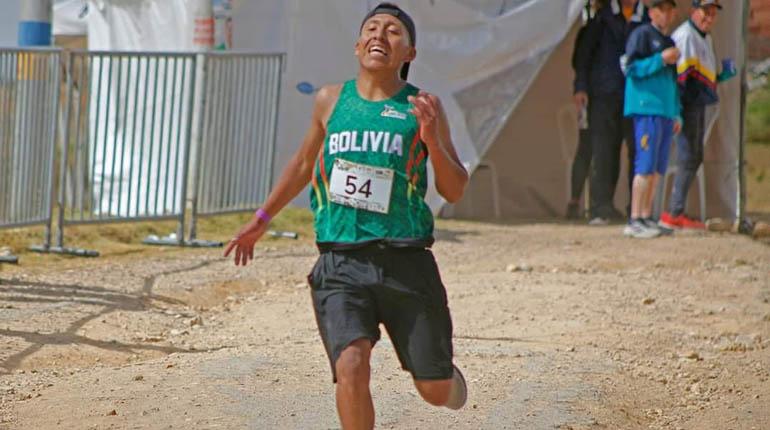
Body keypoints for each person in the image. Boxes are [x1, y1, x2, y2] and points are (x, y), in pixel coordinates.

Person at [224, 3, 469, 429]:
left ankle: (443, 376)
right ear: (358, 45)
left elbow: (454, 188)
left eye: (394, 31)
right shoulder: (330, 100)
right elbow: (303, 164)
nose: (381, 35)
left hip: (406, 260)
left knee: (433, 390)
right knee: (351, 366)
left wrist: (431, 137)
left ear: (409, 53)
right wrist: (261, 219)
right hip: (341, 260)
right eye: (372, 28)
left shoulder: (422, 106)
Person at [659, 0, 736, 230]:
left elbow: (703, 74)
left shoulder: (705, 37)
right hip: (686, 106)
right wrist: (676, 111)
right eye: (705, 12)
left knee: (695, 156)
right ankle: (674, 212)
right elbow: (678, 77)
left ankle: (677, 209)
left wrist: (720, 76)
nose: (709, 18)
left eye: (713, 14)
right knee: (687, 156)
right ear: (694, 11)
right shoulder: (685, 36)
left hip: (698, 103)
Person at [572, 0, 648, 225]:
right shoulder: (602, 19)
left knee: (637, 151)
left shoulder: (645, 20)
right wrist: (581, 87)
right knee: (604, 151)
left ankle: (636, 208)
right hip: (604, 95)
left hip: (636, 96)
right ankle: (600, 207)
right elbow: (583, 56)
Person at [622, 0, 682, 238]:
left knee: (658, 168)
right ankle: (635, 218)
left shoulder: (669, 41)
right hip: (646, 108)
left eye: (669, 10)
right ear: (651, 12)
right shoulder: (642, 35)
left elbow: (674, 82)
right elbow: (631, 68)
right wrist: (659, 60)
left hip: (665, 111)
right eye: (661, 10)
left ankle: (647, 216)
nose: (666, 15)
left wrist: (676, 111)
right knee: (644, 165)